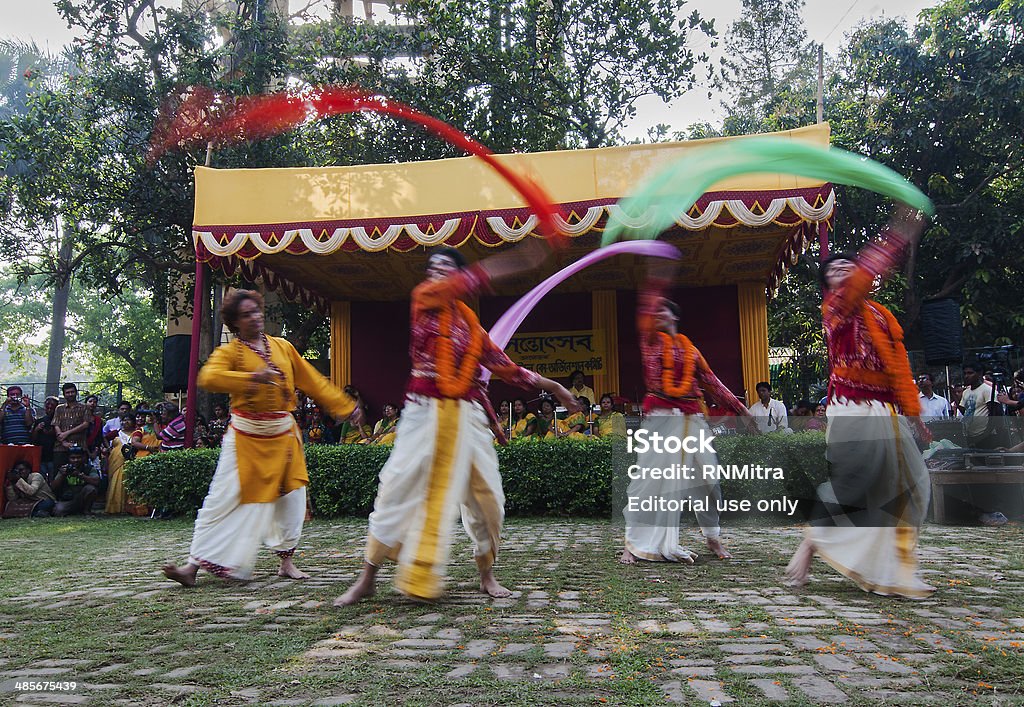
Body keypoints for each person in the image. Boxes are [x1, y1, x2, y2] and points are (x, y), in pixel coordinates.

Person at [335, 243, 579, 605]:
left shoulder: (470, 325)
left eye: (446, 267)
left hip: (467, 418)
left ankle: (487, 574)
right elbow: (452, 286)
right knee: (396, 491)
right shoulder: (423, 301)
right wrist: (509, 263)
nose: (437, 272)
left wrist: (555, 387)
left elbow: (505, 367)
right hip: (423, 413)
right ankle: (367, 576)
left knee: (489, 500)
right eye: (432, 267)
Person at [163, 289, 361, 587]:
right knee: (221, 497)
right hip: (245, 435)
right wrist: (251, 379)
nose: (255, 317)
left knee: (290, 500)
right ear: (235, 322)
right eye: (246, 314)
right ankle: (192, 567)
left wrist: (345, 407)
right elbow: (208, 378)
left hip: (282, 434)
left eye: (256, 311)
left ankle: (286, 562)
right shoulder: (230, 352)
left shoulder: (282, 347)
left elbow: (312, 380)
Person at [784, 207, 934, 598]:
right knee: (854, 486)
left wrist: (915, 416)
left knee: (913, 487)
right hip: (851, 409)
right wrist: (899, 232)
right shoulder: (836, 310)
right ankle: (811, 543)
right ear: (827, 286)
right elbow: (865, 273)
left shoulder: (881, 317)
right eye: (832, 271)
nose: (841, 272)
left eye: (846, 266)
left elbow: (899, 369)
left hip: (887, 412)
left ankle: (894, 569)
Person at [621, 260, 756, 565]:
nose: (656, 314)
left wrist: (742, 410)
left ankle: (712, 537)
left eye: (662, 311)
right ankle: (632, 543)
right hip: (660, 420)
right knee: (649, 481)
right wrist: (656, 280)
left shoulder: (691, 351)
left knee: (708, 479)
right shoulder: (650, 342)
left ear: (674, 316)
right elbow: (645, 308)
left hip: (692, 420)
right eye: (654, 311)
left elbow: (713, 384)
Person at [51, 446, 100, 516]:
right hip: (68, 499)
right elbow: (53, 487)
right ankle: (75, 510)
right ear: (68, 459)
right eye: (73, 458)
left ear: (83, 458)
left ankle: (86, 510)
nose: (76, 460)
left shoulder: (89, 468)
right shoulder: (64, 469)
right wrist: (62, 475)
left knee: (91, 489)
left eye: (78, 457)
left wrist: (81, 475)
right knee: (58, 511)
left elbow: (96, 481)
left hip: (82, 496)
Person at [52, 383, 90, 471]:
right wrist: (63, 441)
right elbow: (56, 425)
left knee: (80, 473)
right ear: (64, 395)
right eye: (67, 392)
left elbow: (85, 424)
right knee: (59, 473)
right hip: (61, 448)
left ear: (76, 393)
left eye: (72, 392)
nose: (70, 394)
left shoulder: (84, 408)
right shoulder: (59, 408)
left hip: (79, 446)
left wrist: (67, 433)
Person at [959, 361, 996, 447]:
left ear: (979, 374)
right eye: (965, 373)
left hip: (986, 437)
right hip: (970, 435)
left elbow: (995, 415)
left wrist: (985, 435)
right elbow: (964, 411)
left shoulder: (987, 390)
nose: (966, 376)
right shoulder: (966, 392)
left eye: (970, 373)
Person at [31, 396, 59, 481]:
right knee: (42, 479)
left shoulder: (59, 421)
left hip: (54, 456)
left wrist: (53, 433)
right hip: (42, 456)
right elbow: (33, 440)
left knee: (53, 478)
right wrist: (36, 430)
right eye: (48, 406)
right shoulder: (40, 421)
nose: (50, 408)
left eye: (52, 406)